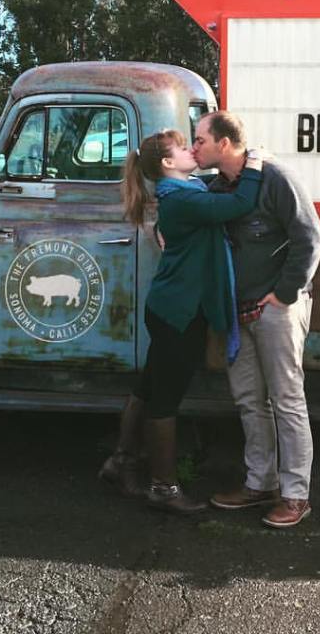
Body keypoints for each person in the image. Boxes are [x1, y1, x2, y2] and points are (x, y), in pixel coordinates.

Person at [99, 128, 264, 515]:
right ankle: (163, 487)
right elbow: (238, 204)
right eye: (183, 148)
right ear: (168, 162)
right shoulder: (181, 199)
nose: (192, 150)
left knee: (149, 386)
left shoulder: (183, 190)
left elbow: (211, 192)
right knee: (165, 399)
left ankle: (120, 463)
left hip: (170, 307)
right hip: (180, 313)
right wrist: (255, 165)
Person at [193, 111, 320, 529]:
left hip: (276, 309)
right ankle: (259, 483)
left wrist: (284, 294)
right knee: (249, 400)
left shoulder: (277, 178)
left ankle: (296, 495)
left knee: (287, 400)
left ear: (224, 143)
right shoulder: (218, 187)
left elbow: (310, 238)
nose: (194, 149)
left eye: (200, 140)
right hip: (238, 312)